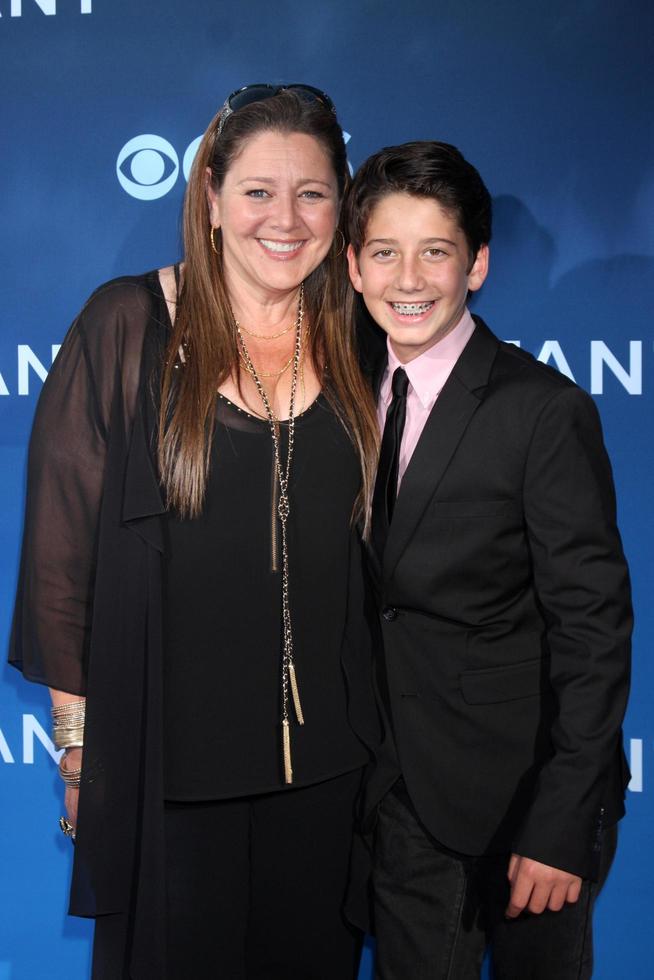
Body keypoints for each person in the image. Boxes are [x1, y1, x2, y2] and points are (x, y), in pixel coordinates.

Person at [9, 85, 381, 980]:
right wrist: (79, 748)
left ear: (341, 205)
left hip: (333, 778)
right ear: (209, 196)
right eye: (257, 191)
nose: (284, 219)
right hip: (166, 776)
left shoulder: (366, 341)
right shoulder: (127, 326)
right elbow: (61, 562)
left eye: (313, 192)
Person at [344, 141, 632, 979]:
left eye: (436, 251)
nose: (409, 278)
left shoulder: (541, 411)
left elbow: (593, 630)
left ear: (477, 266)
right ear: (354, 268)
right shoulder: (342, 397)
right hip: (400, 801)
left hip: (526, 803)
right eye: (386, 253)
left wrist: (563, 821)